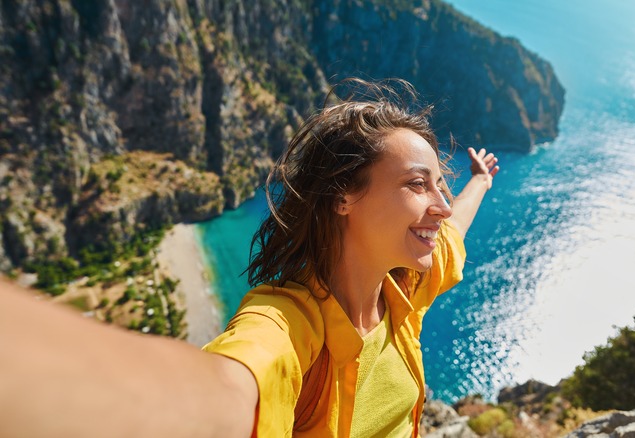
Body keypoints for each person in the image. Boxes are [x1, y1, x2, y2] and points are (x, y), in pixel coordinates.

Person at [0, 78, 498, 437]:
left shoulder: (404, 290)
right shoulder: (286, 326)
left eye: (441, 183)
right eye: (417, 184)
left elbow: (452, 229)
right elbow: (225, 386)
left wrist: (480, 180)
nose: (442, 203)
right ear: (344, 196)